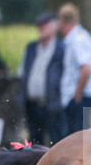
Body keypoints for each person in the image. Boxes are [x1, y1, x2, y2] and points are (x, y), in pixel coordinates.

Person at [17, 11, 65, 145]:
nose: (41, 28)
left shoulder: (61, 48)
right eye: (40, 25)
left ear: (54, 27)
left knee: (56, 141)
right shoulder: (31, 48)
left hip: (51, 105)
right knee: (34, 142)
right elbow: (22, 73)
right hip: (32, 104)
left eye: (45, 25)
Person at [57, 2, 91, 136]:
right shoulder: (82, 36)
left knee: (76, 139)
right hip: (80, 95)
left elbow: (86, 69)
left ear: (62, 21)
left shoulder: (77, 40)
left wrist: (77, 94)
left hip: (79, 97)